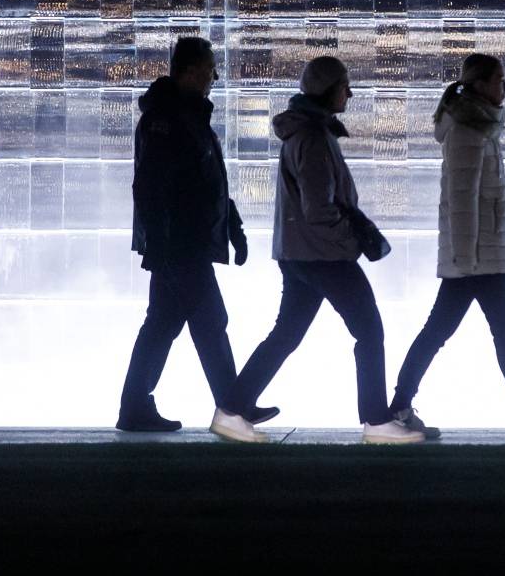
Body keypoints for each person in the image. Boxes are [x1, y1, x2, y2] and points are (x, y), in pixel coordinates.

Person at [211, 56, 424, 444]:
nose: (350, 92)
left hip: (299, 255)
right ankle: (377, 420)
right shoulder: (313, 138)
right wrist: (353, 240)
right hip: (324, 255)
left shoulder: (305, 134)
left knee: (287, 334)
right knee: (369, 331)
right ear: (328, 90)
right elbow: (319, 208)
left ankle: (233, 408)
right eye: (344, 85)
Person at [388, 54, 505, 441]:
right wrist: (467, 258)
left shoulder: (478, 127)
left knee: (442, 333)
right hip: (477, 259)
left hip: (479, 256)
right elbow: (461, 200)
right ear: (479, 85)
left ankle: (399, 408)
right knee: (501, 332)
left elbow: (479, 200)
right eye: (499, 80)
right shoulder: (468, 131)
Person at [117, 36, 276, 432]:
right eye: (208, 69)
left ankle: (136, 406)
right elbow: (152, 188)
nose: (214, 77)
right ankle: (233, 407)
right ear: (188, 70)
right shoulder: (168, 120)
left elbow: (206, 182)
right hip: (180, 245)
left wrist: (232, 227)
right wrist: (162, 246)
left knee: (163, 324)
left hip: (181, 243)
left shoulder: (182, 116)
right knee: (208, 320)